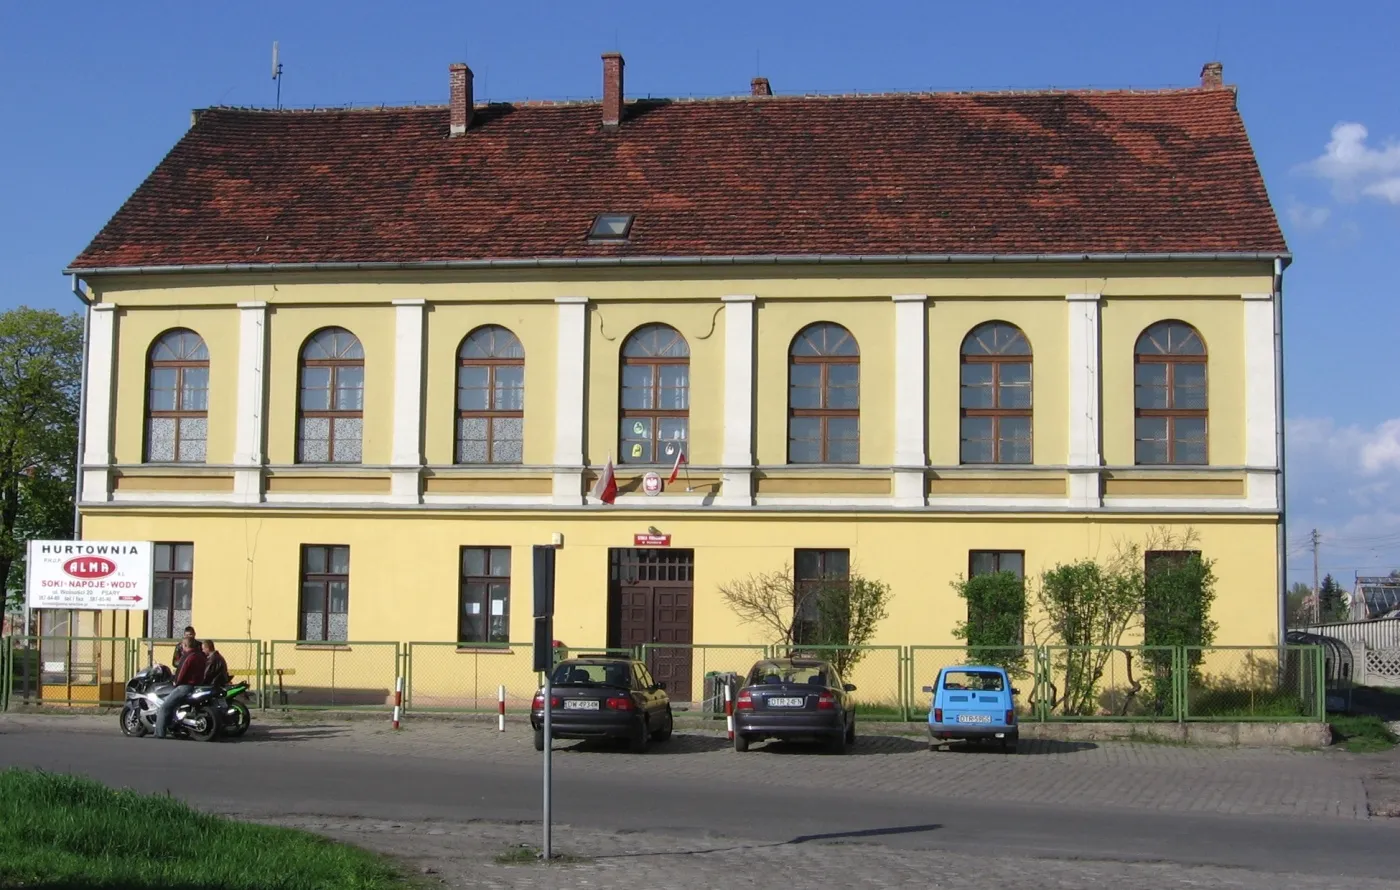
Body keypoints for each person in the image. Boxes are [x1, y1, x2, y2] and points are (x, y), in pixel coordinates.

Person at [155, 638, 207, 739]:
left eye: (182, 645)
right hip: (197, 686)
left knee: (164, 707)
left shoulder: (188, 656)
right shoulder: (201, 656)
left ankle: (159, 733)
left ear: (185, 645)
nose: (181, 647)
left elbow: (181, 671)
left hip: (185, 686)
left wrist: (175, 682)